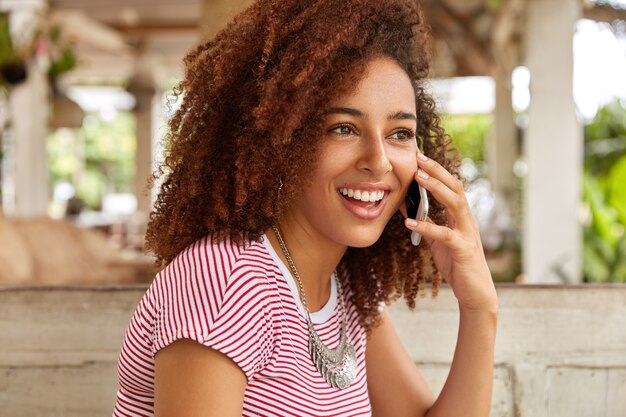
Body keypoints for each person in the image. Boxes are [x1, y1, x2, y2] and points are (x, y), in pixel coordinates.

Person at [112, 0, 498, 416]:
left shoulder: (346, 288)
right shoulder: (227, 282)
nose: (380, 160)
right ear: (283, 140)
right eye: (343, 128)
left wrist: (480, 309)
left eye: (400, 133)